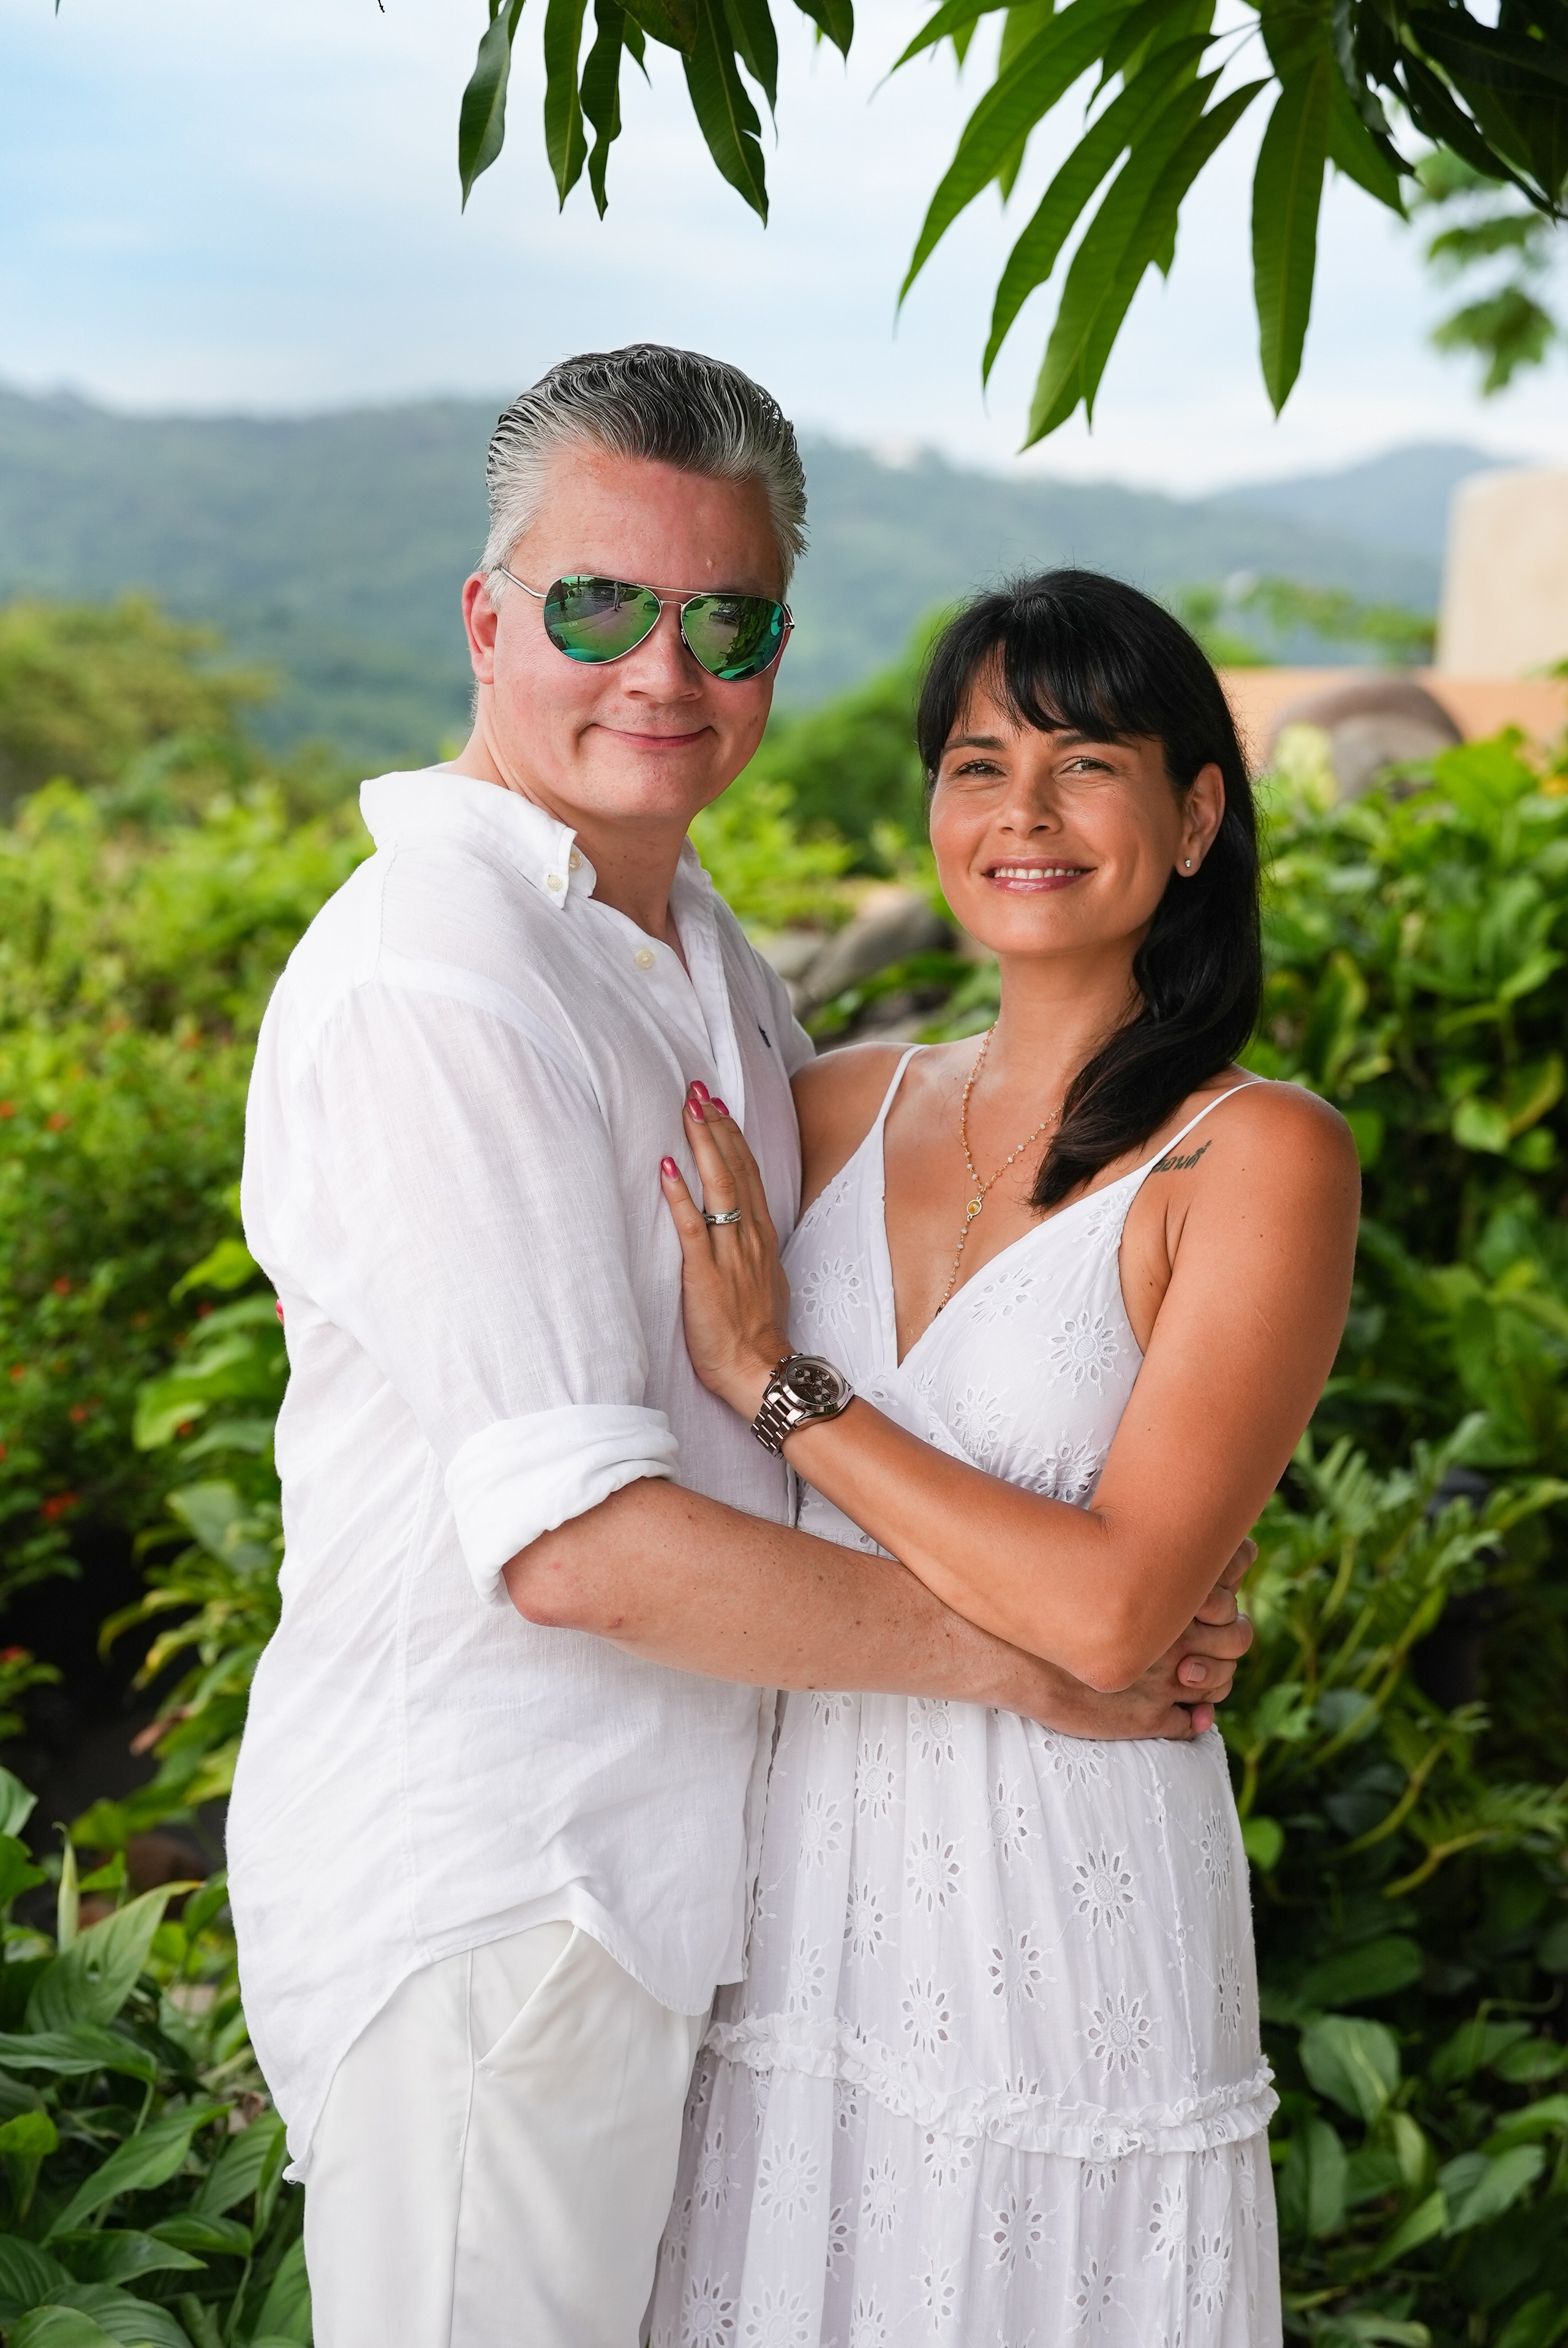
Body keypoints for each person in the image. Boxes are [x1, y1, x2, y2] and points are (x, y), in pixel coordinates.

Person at [227, 349, 1256, 2348]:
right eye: (601, 605)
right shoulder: (441, 973)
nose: (664, 671)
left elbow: (980, 1275)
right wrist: (1041, 1656)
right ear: (485, 615)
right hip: (502, 1902)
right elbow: (575, 1544)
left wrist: (1146, 1549)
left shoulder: (676, 943)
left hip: (708, 1906)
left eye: (730, 618)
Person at [640, 572, 1362, 2346]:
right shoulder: (826, 1108)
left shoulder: (1253, 1157)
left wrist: (787, 1385)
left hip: (1065, 1899)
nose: (1021, 815)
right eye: (977, 763)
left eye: (1085, 760)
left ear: (1197, 815)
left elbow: (1120, 1610)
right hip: (789, 1894)